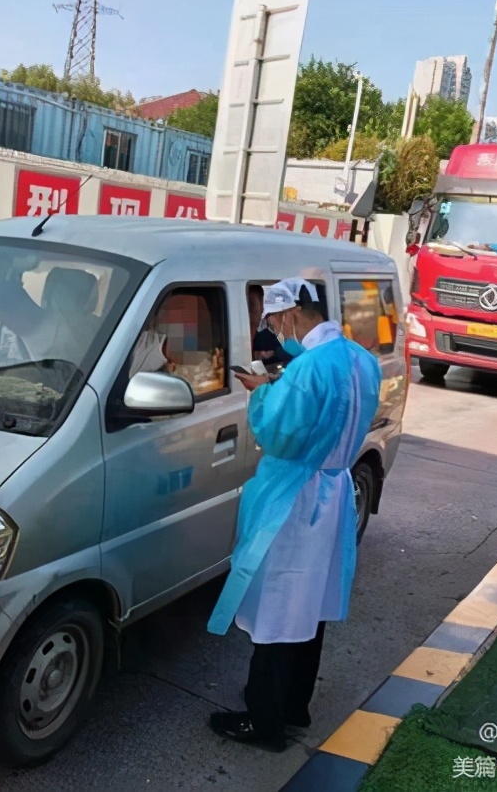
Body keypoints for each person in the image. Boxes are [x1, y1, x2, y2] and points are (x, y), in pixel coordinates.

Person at [206, 277, 382, 752]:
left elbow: (279, 432)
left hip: (297, 497)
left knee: (278, 606)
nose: (274, 332)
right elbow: (330, 406)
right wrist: (275, 382)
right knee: (310, 608)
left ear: (289, 315)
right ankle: (295, 706)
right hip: (334, 490)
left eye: (273, 322)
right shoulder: (360, 360)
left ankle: (264, 720)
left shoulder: (306, 371)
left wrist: (260, 393)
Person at [246, 284, 289, 369]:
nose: (247, 311)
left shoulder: (271, 332)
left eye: (251, 305)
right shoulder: (232, 335)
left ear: (261, 305)